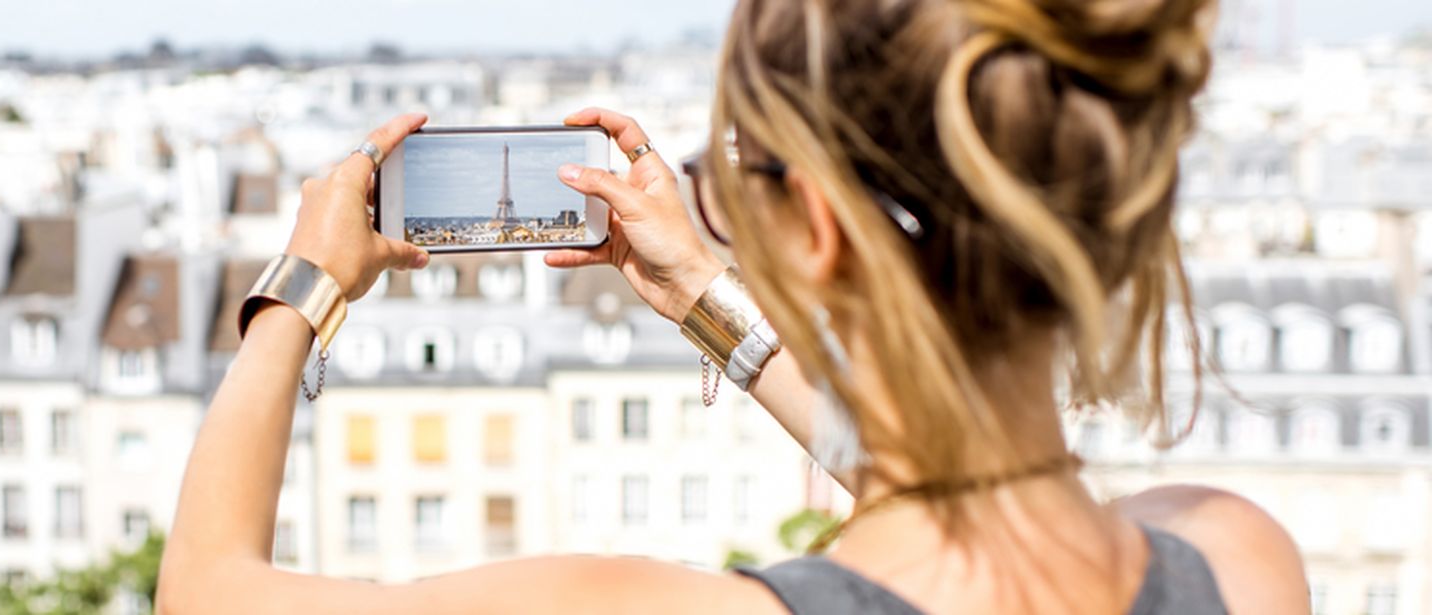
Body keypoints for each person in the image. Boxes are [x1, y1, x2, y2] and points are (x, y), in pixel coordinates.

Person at [157, 0, 1309, 612]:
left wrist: (303, 285)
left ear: (815, 227)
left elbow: (205, 596)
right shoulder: (1233, 558)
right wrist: (700, 294)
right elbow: (946, 479)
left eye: (733, 173)